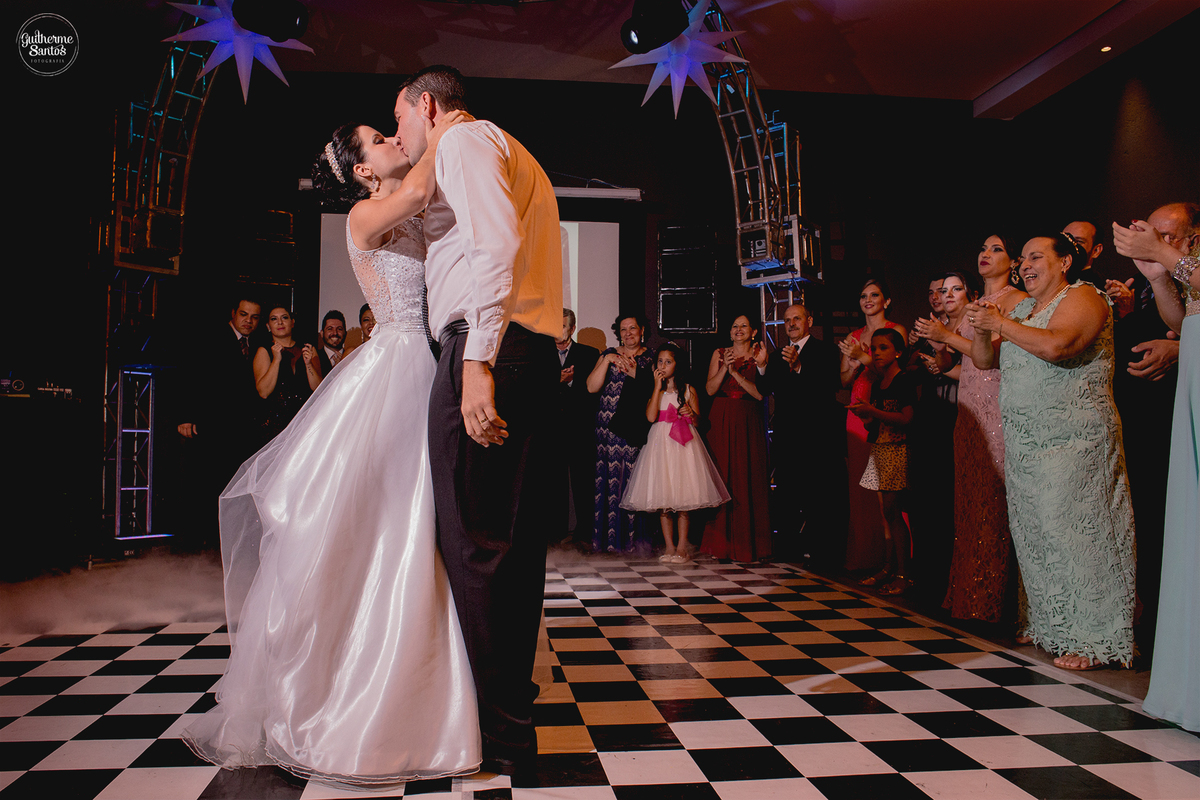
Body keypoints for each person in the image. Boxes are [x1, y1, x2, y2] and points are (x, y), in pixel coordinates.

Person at [182, 109, 481, 786]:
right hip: (395, 368)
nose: (391, 140)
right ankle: (349, 695)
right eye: (380, 140)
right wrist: (446, 131)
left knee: (418, 525)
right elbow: (412, 192)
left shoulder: (409, 205)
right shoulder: (364, 216)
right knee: (383, 524)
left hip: (423, 365)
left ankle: (421, 683)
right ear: (362, 171)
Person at [394, 65, 562, 776]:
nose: (400, 135)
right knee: (511, 550)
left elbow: (495, 248)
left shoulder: (462, 143)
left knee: (474, 543)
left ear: (428, 106)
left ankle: (499, 734)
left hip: (489, 346)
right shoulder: (509, 149)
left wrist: (475, 362)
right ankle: (510, 715)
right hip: (526, 349)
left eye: (399, 120)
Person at [966, 232, 1135, 671]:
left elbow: (1060, 345)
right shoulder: (1022, 308)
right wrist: (985, 326)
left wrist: (999, 324)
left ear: (1065, 262)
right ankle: (1055, 627)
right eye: (1023, 259)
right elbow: (986, 361)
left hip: (1074, 440)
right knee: (1039, 536)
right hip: (1027, 444)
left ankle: (1098, 637)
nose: (1025, 265)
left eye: (1036, 257)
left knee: (1078, 535)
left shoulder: (1085, 297)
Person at [1113, 216, 1199, 731]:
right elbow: (1188, 318)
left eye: (1169, 235)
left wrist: (1166, 259)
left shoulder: (1183, 256)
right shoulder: (1180, 265)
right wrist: (1162, 276)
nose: (1159, 241)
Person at [917, 239, 1028, 623]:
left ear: (1013, 261)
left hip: (996, 407)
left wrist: (946, 338)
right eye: (982, 247)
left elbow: (990, 357)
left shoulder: (1015, 301)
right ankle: (974, 592)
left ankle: (1002, 600)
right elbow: (968, 366)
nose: (985, 253)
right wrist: (941, 361)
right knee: (970, 504)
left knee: (995, 501)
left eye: (996, 249)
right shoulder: (974, 307)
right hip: (968, 409)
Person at [621, 342, 729, 564]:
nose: (663, 365)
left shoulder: (688, 390)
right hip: (660, 445)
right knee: (664, 499)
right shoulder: (657, 391)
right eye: (659, 361)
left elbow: (700, 422)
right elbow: (650, 417)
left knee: (682, 499)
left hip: (682, 446)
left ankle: (682, 547)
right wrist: (655, 386)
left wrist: (691, 415)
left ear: (676, 365)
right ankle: (669, 546)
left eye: (667, 362)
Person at [176, 295, 263, 545]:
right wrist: (186, 416)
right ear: (233, 313)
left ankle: (219, 548)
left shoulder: (256, 343)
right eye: (244, 314)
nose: (249, 321)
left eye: (254, 317)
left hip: (237, 430)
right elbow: (190, 373)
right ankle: (196, 549)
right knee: (204, 487)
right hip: (209, 426)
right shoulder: (210, 337)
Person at [766, 303, 846, 567]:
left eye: (796, 319)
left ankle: (822, 554)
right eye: (787, 320)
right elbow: (766, 388)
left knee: (817, 498)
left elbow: (829, 386)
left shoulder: (825, 350)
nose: (791, 324)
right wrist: (760, 366)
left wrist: (800, 366)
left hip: (816, 439)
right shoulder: (778, 355)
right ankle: (788, 552)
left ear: (809, 320)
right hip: (787, 439)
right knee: (787, 496)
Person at [839, 279, 908, 571]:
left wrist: (862, 357)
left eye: (875, 295)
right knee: (863, 492)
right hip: (857, 413)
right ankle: (868, 557)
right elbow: (843, 380)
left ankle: (895, 562)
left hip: (884, 411)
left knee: (889, 495)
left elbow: (893, 373)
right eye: (863, 295)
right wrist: (853, 365)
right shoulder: (853, 336)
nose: (868, 300)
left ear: (887, 301)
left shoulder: (896, 331)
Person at [849, 328, 916, 595]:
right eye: (873, 348)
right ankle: (890, 567)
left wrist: (872, 411)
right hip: (881, 449)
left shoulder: (903, 381)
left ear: (898, 351)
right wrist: (865, 413)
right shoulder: (879, 383)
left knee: (894, 512)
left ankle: (904, 573)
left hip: (898, 450)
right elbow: (876, 420)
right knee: (886, 514)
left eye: (883, 348)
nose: (876, 353)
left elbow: (907, 417)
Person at [700, 314, 772, 562]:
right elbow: (709, 389)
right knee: (723, 477)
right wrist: (724, 369)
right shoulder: (719, 353)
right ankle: (720, 545)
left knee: (747, 476)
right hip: (720, 418)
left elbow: (760, 395)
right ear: (730, 333)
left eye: (743, 326)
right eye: (734, 326)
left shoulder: (760, 354)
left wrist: (736, 374)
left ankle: (750, 545)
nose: (738, 329)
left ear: (752, 332)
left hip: (748, 419)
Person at [587, 313, 655, 553]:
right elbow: (591, 386)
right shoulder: (608, 354)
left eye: (633, 328)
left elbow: (658, 389)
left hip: (634, 428)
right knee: (608, 481)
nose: (628, 333)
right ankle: (609, 542)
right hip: (606, 429)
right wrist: (606, 361)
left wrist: (635, 373)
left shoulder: (651, 357)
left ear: (642, 331)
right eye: (623, 329)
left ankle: (636, 543)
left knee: (632, 480)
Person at [556, 308, 600, 545]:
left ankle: (584, 534)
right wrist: (557, 382)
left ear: (572, 329)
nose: (557, 331)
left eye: (562, 326)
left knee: (583, 483)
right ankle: (555, 533)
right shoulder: (540, 354)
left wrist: (572, 384)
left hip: (580, 430)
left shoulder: (589, 354)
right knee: (554, 483)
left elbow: (594, 394)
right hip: (551, 431)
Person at [253, 306, 322, 442]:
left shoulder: (308, 349)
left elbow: (318, 388)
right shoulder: (264, 351)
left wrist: (308, 364)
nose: (280, 322)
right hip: (274, 426)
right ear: (268, 326)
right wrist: (276, 360)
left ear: (292, 322)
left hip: (304, 422)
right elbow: (264, 392)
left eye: (284, 318)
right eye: (274, 319)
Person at [316, 310, 346, 374]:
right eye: (330, 329)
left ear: (345, 334)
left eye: (339, 329)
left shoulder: (353, 358)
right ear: (321, 333)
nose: (335, 333)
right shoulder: (312, 359)